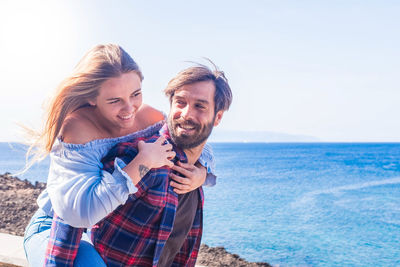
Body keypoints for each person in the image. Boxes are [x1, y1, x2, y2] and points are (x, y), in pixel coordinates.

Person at [23, 44, 217, 267]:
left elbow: (191, 141)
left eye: (135, 94)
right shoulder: (77, 128)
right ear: (92, 98)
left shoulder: (149, 116)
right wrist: (142, 163)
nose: (129, 110)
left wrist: (201, 173)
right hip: (54, 226)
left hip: (95, 232)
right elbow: (79, 214)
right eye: (115, 100)